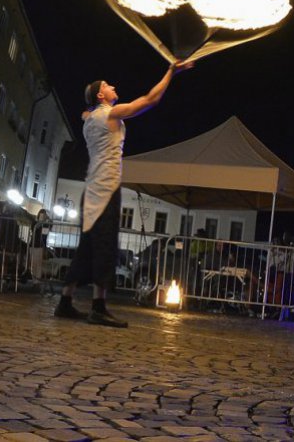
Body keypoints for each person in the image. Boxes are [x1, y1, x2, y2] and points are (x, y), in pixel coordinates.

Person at [55, 62, 192, 327]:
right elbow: (151, 100)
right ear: (100, 95)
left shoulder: (89, 119)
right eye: (107, 85)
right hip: (106, 188)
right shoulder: (109, 113)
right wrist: (171, 72)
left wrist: (87, 111)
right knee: (105, 244)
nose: (113, 86)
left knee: (86, 248)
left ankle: (65, 302)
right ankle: (98, 307)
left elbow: (85, 114)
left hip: (91, 188)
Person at [28, 209, 53, 282]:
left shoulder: (45, 224)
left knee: (38, 264)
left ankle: (37, 282)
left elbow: (47, 231)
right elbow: (34, 229)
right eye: (41, 215)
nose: (42, 216)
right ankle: (34, 280)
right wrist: (40, 223)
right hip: (33, 244)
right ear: (38, 215)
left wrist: (48, 221)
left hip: (40, 245)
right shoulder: (35, 222)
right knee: (33, 264)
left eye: (44, 215)